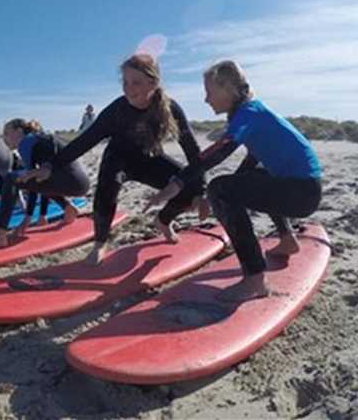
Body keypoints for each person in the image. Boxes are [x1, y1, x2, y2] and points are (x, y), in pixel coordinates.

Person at [146, 60, 322, 302]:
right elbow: (251, 164)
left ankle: (255, 280)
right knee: (252, 179)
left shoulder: (248, 114)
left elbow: (217, 153)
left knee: (220, 188)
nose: (206, 100)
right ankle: (287, 239)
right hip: (305, 189)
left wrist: (175, 185)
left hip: (301, 191)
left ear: (228, 88)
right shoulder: (253, 112)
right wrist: (207, 195)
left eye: (209, 92)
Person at [30, 54, 207, 265]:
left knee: (190, 187)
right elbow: (86, 140)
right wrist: (51, 166)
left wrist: (202, 190)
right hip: (118, 159)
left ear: (153, 83)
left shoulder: (170, 108)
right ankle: (100, 243)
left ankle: (163, 221)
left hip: (150, 159)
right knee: (106, 190)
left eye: (136, 82)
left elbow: (192, 150)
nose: (128, 88)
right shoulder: (117, 110)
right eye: (125, 82)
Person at [0, 118, 90, 250]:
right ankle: (68, 208)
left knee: (11, 178)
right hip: (80, 183)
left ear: (19, 131)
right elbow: (38, 182)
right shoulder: (37, 138)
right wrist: (33, 216)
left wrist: (28, 218)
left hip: (68, 180)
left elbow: (31, 183)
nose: (4, 138)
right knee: (34, 178)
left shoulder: (26, 142)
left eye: (7, 133)